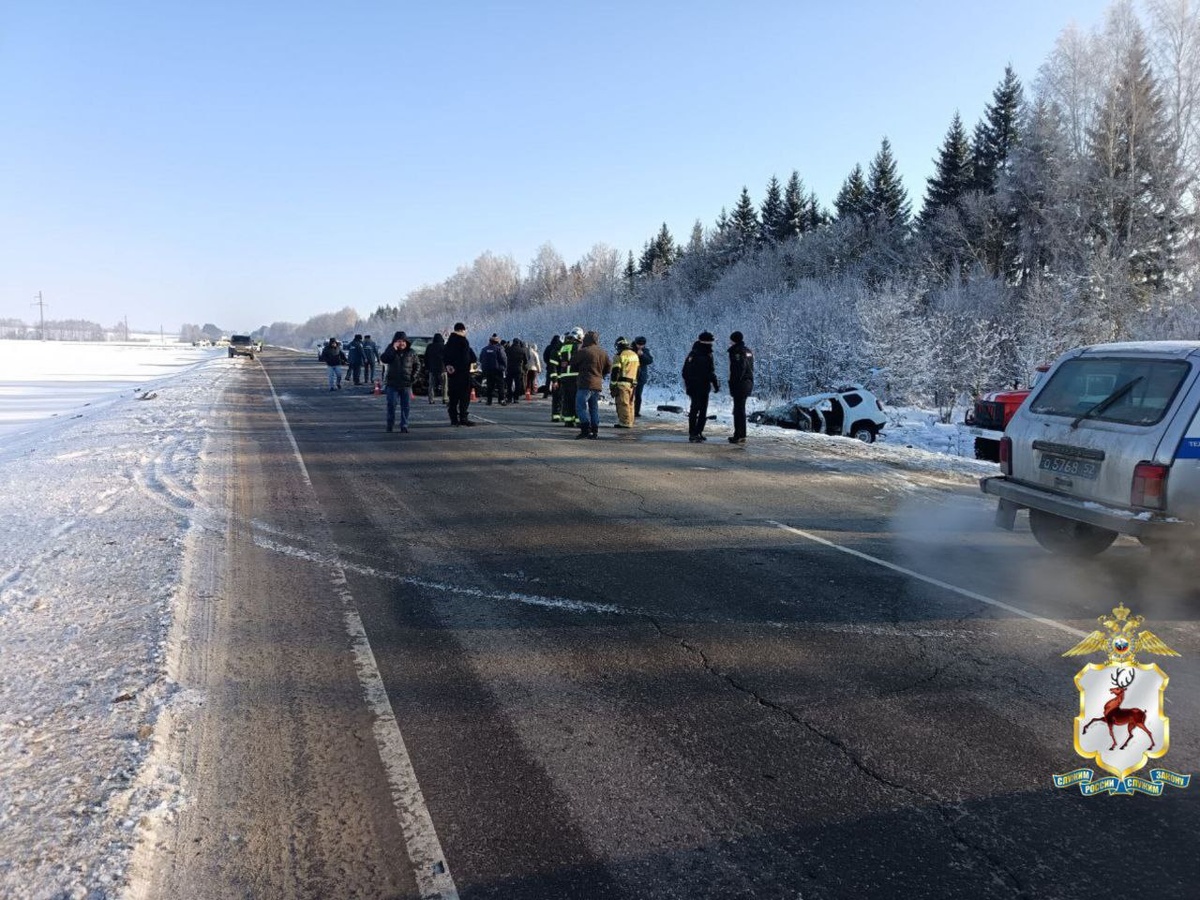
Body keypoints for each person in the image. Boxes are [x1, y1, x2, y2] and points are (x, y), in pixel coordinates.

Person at [682, 331, 719, 442]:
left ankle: (697, 432)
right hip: (699, 386)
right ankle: (694, 433)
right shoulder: (703, 354)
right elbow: (710, 372)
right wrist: (715, 384)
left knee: (700, 409)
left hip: (699, 386)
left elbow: (684, 372)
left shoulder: (693, 353)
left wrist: (689, 384)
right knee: (697, 409)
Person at [573, 331, 611, 439]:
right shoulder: (603, 352)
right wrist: (600, 375)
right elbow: (609, 367)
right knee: (594, 408)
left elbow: (573, 364)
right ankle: (595, 431)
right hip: (597, 385)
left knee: (580, 407)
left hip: (585, 383)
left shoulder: (584, 351)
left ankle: (585, 429)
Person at [379, 331, 420, 432]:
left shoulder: (411, 352)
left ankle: (404, 425)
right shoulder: (391, 350)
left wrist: (413, 377)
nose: (401, 343)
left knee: (405, 406)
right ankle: (390, 424)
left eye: (403, 341)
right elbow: (384, 359)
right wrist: (393, 348)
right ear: (395, 341)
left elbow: (417, 365)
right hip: (392, 384)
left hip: (406, 384)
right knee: (391, 405)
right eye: (399, 341)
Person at [443, 323, 477, 426]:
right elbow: (467, 358)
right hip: (463, 374)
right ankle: (463, 418)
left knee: (453, 397)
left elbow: (445, 356)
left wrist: (448, 365)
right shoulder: (463, 342)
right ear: (462, 330)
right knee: (464, 397)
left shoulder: (449, 342)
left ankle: (454, 419)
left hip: (452, 375)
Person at [727, 331, 754, 444]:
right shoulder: (748, 351)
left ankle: (738, 435)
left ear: (734, 340)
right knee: (740, 409)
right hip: (748, 382)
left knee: (738, 410)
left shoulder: (737, 351)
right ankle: (741, 434)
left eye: (731, 340)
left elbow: (739, 369)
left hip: (740, 384)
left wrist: (734, 383)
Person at [556, 327, 584, 427]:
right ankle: (578, 420)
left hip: (564, 376)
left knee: (567, 399)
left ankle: (568, 420)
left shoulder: (564, 347)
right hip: (575, 376)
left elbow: (560, 359)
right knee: (577, 399)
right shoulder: (579, 347)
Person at [610, 337, 639, 428]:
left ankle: (625, 423)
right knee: (630, 403)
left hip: (622, 383)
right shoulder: (634, 355)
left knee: (623, 403)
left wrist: (613, 384)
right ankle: (630, 421)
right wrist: (635, 382)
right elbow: (638, 370)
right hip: (632, 384)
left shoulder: (619, 355)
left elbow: (616, 371)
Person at [479, 334, 507, 405]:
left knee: (490, 386)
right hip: (498, 370)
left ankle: (489, 401)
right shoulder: (499, 349)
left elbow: (480, 359)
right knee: (500, 386)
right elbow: (504, 359)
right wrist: (504, 367)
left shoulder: (484, 349)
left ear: (490, 341)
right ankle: (501, 400)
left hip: (488, 370)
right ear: (497, 342)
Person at [632, 336, 653, 417]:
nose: (640, 346)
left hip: (641, 377)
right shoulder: (631, 350)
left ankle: (636, 411)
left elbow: (650, 360)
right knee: (630, 394)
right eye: (639, 344)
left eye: (642, 345)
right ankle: (629, 410)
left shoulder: (646, 351)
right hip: (632, 375)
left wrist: (642, 355)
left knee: (638, 395)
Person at [423, 332, 446, 403]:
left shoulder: (429, 347)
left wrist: (427, 367)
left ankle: (431, 399)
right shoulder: (444, 347)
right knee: (444, 385)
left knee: (431, 385)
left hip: (432, 369)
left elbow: (426, 358)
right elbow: (448, 358)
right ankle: (445, 398)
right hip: (443, 369)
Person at [544, 334, 563, 418]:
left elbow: (545, 357)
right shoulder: (562, 348)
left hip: (550, 367)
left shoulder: (549, 347)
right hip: (560, 372)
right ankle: (561, 413)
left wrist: (548, 363)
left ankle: (546, 393)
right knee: (560, 393)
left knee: (548, 381)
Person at [505, 337, 527, 404]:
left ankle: (509, 398)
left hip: (509, 369)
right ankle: (516, 398)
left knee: (509, 385)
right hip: (518, 369)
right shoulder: (522, 350)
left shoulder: (508, 349)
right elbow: (525, 361)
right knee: (518, 384)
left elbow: (504, 356)